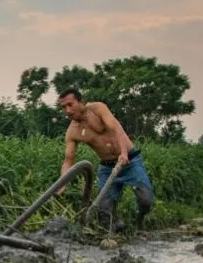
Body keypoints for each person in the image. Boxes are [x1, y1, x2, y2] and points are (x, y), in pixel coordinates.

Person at [55, 88, 154, 231]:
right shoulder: (73, 131)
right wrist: (62, 182)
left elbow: (116, 128)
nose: (67, 110)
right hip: (107, 168)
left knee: (146, 201)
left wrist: (124, 153)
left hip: (130, 161)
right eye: (63, 107)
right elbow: (68, 160)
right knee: (104, 212)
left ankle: (139, 220)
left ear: (81, 102)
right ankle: (116, 227)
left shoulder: (98, 108)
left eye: (70, 104)